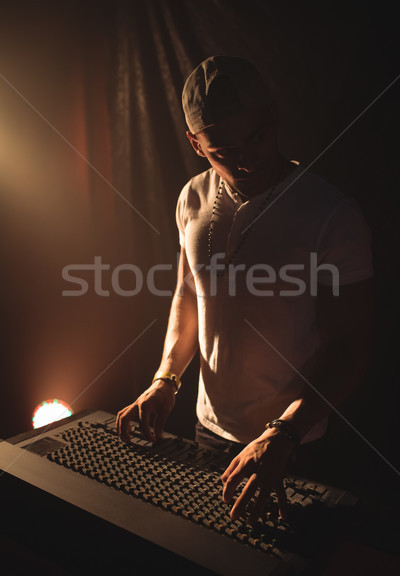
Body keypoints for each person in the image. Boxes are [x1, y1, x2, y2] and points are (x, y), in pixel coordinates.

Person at [116, 56, 373, 522]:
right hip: (209, 431)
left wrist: (286, 433)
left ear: (273, 116)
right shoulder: (191, 197)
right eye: (223, 149)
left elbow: (352, 344)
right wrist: (166, 378)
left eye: (256, 137)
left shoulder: (332, 214)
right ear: (195, 143)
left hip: (296, 442)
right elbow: (189, 294)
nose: (246, 159)